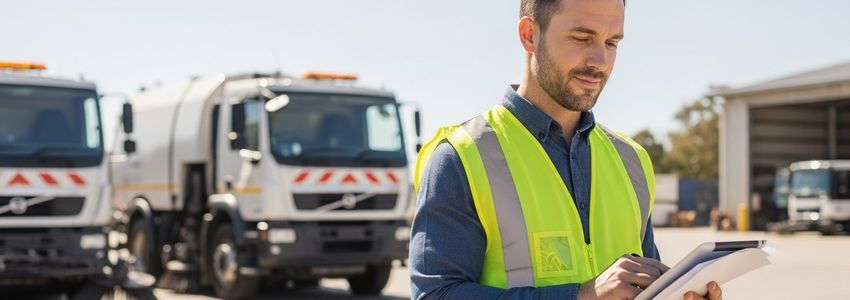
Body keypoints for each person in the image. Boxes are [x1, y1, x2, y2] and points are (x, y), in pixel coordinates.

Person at [409, 0, 723, 299]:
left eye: (612, 43)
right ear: (529, 35)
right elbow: (435, 295)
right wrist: (581, 296)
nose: (600, 61)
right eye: (582, 38)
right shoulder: (461, 157)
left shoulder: (633, 161)